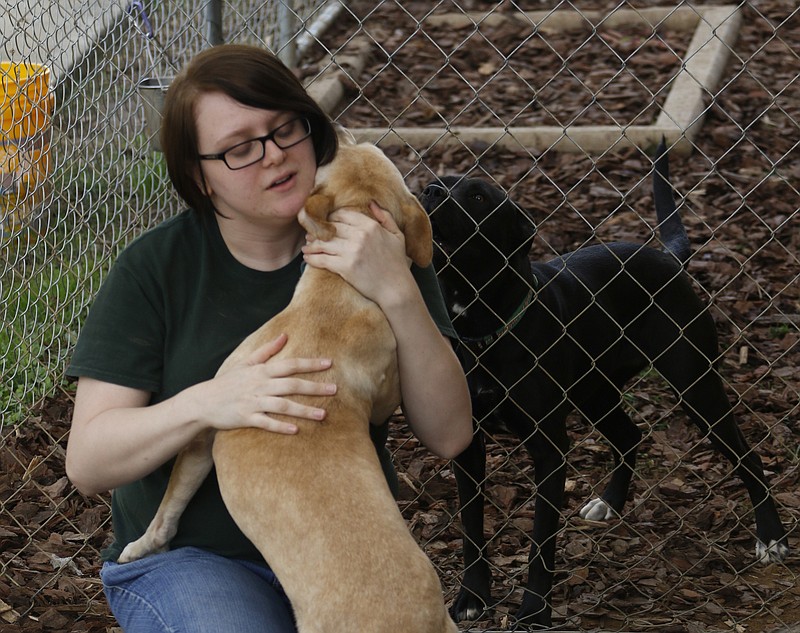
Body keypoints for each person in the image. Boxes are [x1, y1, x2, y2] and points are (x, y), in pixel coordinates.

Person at [65, 44, 472, 633]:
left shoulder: (375, 239)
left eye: (285, 128)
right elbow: (89, 461)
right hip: (195, 562)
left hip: (340, 552)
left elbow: (450, 433)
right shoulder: (156, 268)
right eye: (238, 148)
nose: (274, 156)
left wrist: (398, 291)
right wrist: (210, 401)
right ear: (198, 177)